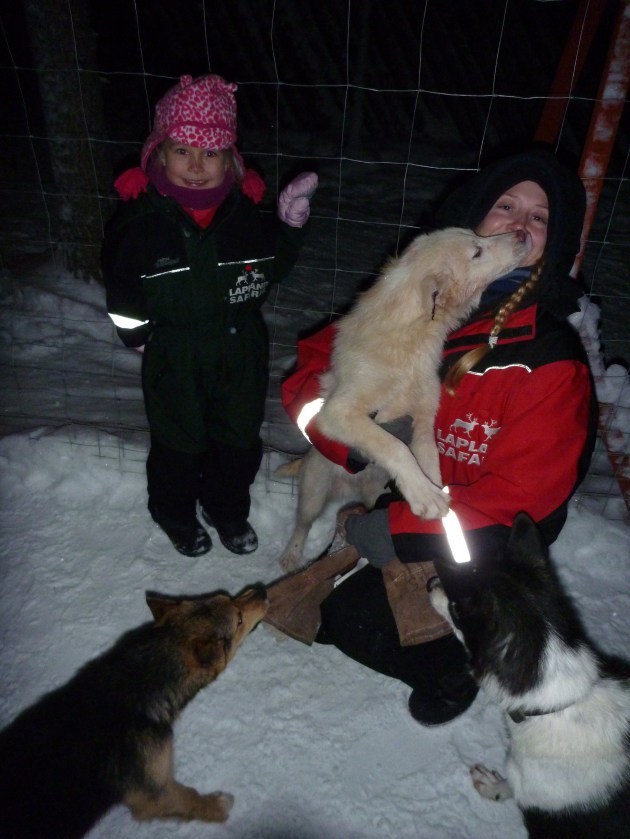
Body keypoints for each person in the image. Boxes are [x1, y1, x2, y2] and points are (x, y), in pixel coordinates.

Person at [270, 147, 598, 725]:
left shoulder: (549, 360)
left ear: (558, 241)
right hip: (411, 499)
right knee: (330, 613)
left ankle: (454, 672)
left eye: (540, 217)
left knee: (353, 622)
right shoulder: (417, 295)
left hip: (485, 544)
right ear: (474, 216)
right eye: (506, 206)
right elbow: (312, 376)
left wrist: (401, 531)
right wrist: (356, 443)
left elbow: (521, 501)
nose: (520, 225)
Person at [102, 74, 317, 557]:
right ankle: (175, 512)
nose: (197, 166)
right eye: (183, 151)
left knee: (238, 439)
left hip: (240, 349)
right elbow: (122, 284)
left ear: (230, 159)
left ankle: (226, 509)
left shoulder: (243, 216)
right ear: (159, 152)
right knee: (179, 443)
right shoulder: (140, 223)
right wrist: (136, 333)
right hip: (175, 351)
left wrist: (289, 227)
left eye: (211, 153)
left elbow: (271, 268)